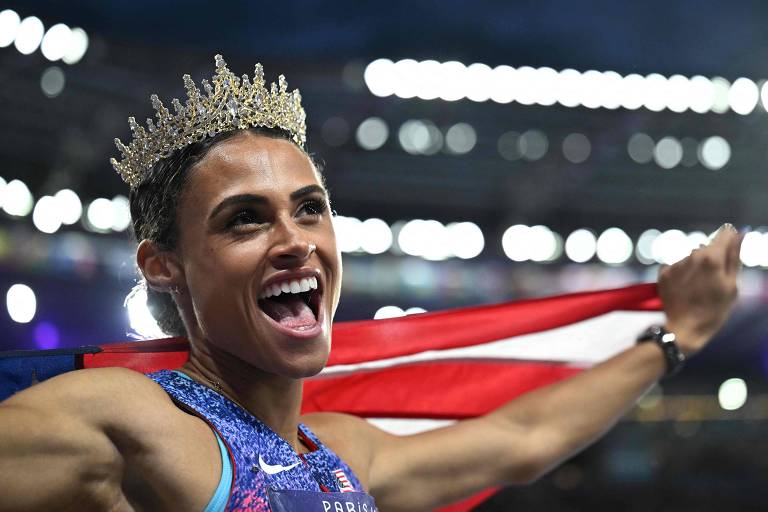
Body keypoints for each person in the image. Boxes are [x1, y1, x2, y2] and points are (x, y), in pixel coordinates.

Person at [0, 55, 743, 512]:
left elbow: (525, 437)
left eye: (310, 209)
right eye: (244, 220)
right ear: (162, 265)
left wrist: (678, 338)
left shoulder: (342, 459)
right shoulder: (128, 419)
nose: (295, 241)